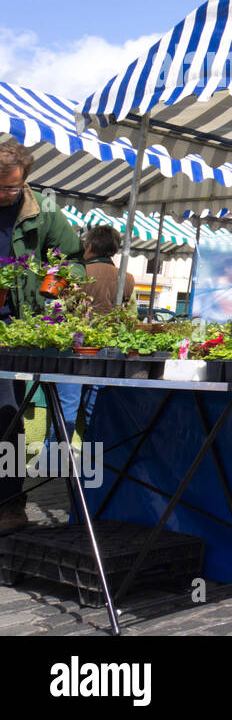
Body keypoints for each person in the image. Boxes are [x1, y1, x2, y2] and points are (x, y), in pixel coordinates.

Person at [0, 142, 85, 534]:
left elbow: (71, 261)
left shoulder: (45, 212)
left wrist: (54, 286)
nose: (3, 195)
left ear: (25, 181)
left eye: (11, 189)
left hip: (18, 331)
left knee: (5, 417)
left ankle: (10, 505)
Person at [55, 224, 136, 442]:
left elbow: (58, 309)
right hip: (109, 349)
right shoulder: (126, 278)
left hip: (75, 347)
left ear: (89, 246)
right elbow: (131, 316)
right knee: (97, 408)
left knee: (65, 408)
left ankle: (53, 464)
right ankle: (99, 462)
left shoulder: (77, 274)